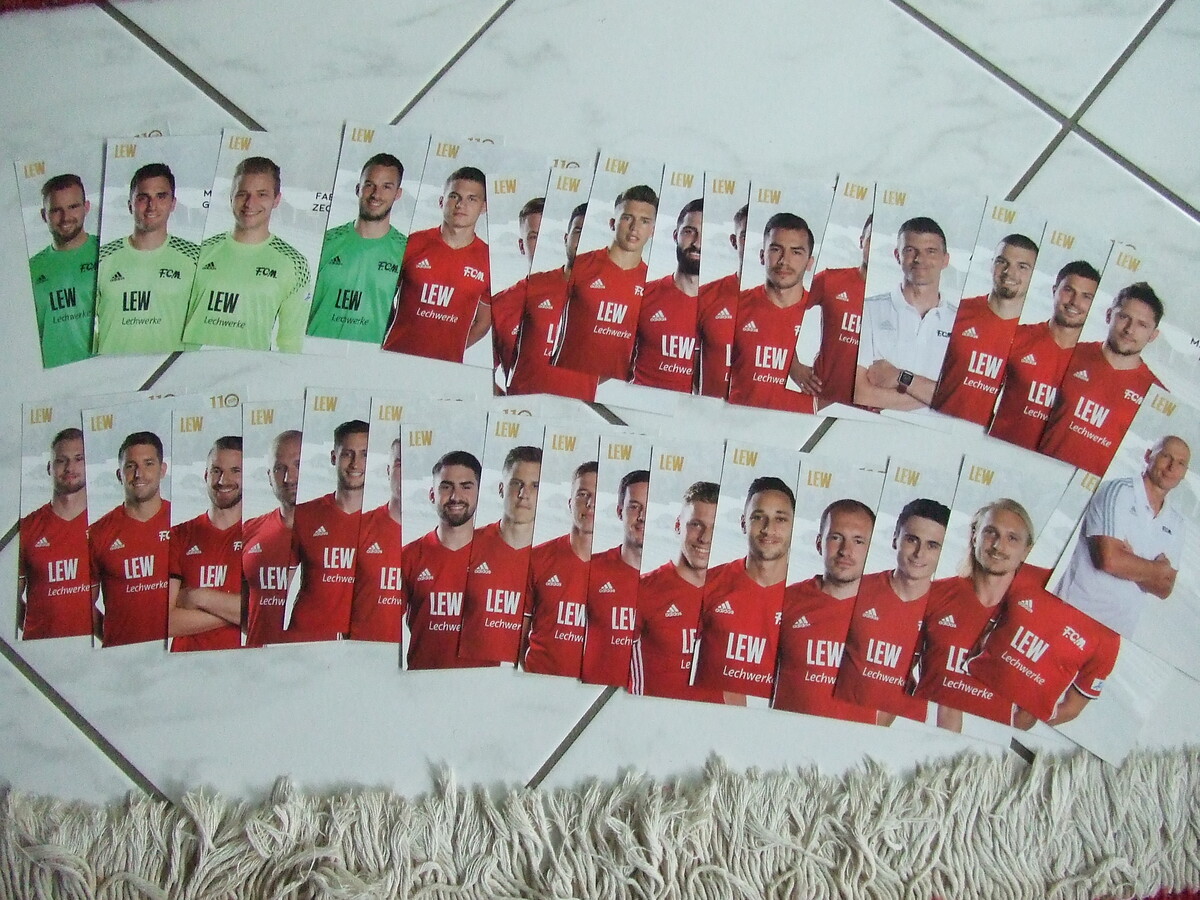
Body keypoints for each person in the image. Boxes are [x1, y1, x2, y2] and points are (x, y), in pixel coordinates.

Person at [912, 499, 1036, 731]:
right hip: (928, 740)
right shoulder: (933, 595)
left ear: (1026, 550)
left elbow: (1031, 708)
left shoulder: (1035, 616)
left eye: (1012, 538)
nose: (998, 546)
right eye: (990, 532)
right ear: (974, 535)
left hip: (990, 747)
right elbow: (898, 671)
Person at [1053, 435, 1189, 637]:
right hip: (1071, 612)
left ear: (1184, 473)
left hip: (1116, 632)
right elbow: (1109, 561)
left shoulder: (1176, 523)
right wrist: (1158, 569)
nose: (1171, 467)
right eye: (1166, 456)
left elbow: (1165, 588)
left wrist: (1130, 561)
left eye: (1180, 463)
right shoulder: (1116, 491)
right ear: (1148, 455)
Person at [833, 497, 951, 722]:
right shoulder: (858, 588)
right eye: (912, 540)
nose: (919, 553)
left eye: (932, 545)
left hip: (898, 730)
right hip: (837, 721)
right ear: (895, 538)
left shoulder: (946, 612)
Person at [182, 156, 311, 352]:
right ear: (231, 197)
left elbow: (291, 344)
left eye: (262, 194)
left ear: (276, 199)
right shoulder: (200, 253)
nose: (250, 203)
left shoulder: (295, 264)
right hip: (188, 365)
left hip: (250, 367)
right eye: (243, 194)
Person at [1038, 283, 1164, 475]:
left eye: (1142, 325)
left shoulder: (1155, 395)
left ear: (1153, 335)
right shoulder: (1069, 353)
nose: (1130, 329)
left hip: (1090, 490)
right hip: (1037, 470)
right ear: (1108, 315)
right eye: (1124, 317)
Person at [771, 498, 878, 724]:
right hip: (785, 739)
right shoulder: (785, 600)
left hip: (853, 744)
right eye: (836, 537)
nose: (846, 551)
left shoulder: (888, 612)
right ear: (819, 543)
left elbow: (901, 690)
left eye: (858, 541)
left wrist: (870, 730)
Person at [692, 476, 796, 701]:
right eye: (758, 517)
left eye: (780, 519)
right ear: (743, 523)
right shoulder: (709, 583)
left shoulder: (806, 597)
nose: (768, 529)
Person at [380, 166, 491, 362]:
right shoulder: (412, 244)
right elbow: (382, 299)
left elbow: (482, 323)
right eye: (454, 196)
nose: (461, 205)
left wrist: (449, 347)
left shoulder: (488, 260)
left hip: (446, 367)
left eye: (471, 199)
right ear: (441, 201)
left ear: (483, 207)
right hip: (393, 357)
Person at [629, 481, 725, 703]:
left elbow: (734, 689)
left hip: (712, 721)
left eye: (714, 528)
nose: (705, 538)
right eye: (696, 525)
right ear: (678, 525)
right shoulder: (643, 591)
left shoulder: (732, 594)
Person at [988, 261, 1101, 449]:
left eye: (1086, 296)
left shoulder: (1095, 363)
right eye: (1069, 290)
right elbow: (980, 397)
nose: (1075, 302)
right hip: (997, 452)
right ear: (1054, 290)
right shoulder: (1018, 337)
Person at [930, 235, 1040, 424]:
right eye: (1002, 262)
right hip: (933, 425)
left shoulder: (1033, 340)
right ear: (991, 264)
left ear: (1033, 275)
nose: (1009, 272)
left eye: (1022, 267)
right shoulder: (957, 312)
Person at [552, 185, 658, 379]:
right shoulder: (581, 265)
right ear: (612, 223)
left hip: (614, 389)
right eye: (627, 218)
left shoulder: (652, 284)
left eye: (644, 221)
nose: (634, 228)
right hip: (563, 381)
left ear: (652, 230)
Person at [403, 450, 496, 669]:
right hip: (421, 682)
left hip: (482, 684)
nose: (455, 496)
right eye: (446, 487)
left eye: (466, 486)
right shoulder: (408, 556)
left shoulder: (500, 557)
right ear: (432, 494)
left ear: (478, 494)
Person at [95, 163, 200, 355]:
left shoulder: (195, 258)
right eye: (143, 198)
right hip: (112, 371)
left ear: (173, 203)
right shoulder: (101, 259)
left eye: (161, 196)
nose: (152, 206)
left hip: (172, 371)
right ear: (130, 205)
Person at [854, 217, 956, 411]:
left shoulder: (961, 324)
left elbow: (964, 401)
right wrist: (940, 396)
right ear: (897, 255)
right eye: (910, 250)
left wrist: (900, 377)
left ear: (945, 260)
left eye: (931, 251)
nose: (920, 259)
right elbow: (861, 394)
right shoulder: (867, 310)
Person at [306, 153, 408, 344]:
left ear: (398, 193)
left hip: (366, 358)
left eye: (386, 187)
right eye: (369, 185)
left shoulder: (407, 251)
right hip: (313, 351)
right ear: (357, 188)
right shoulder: (325, 241)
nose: (376, 194)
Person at [457, 445, 543, 662]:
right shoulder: (468, 545)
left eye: (535, 486)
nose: (524, 495)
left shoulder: (551, 560)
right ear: (501, 488)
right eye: (517, 483)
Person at [285, 420, 368, 641]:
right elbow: (276, 591)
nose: (355, 464)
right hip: (306, 642)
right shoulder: (304, 515)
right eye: (347, 454)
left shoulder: (386, 522)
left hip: (362, 647)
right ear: (334, 457)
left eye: (364, 455)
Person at [506, 202, 598, 400]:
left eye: (588, 233)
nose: (582, 241)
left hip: (576, 409)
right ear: (566, 238)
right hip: (524, 405)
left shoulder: (617, 298)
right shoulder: (533, 286)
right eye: (578, 232)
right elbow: (488, 331)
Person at [726, 213, 818, 413]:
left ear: (810, 262)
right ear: (762, 255)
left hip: (799, 428)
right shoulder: (735, 307)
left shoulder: (822, 314)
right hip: (738, 422)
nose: (784, 261)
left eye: (796, 252)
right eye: (776, 249)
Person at [89, 431, 171, 646]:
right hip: (121, 658)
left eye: (148, 464)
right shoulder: (98, 533)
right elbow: (83, 605)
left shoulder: (183, 525)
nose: (139, 474)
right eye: (130, 466)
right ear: (119, 474)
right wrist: (114, 636)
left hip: (177, 656)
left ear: (163, 470)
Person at [167, 436, 244, 652]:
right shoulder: (178, 536)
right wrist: (238, 613)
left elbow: (267, 613)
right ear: (205, 475)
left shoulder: (260, 534)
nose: (223, 480)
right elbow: (167, 622)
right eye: (216, 470)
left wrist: (198, 596)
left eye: (235, 471)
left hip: (242, 665)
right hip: (185, 663)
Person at [788, 214, 872, 410]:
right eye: (870, 239)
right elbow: (781, 313)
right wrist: (794, 367)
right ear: (861, 241)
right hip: (821, 396)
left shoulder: (897, 299)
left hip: (867, 408)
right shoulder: (831, 281)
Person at [522, 460, 597, 677]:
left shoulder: (621, 570)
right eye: (582, 494)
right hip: (538, 680)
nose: (590, 503)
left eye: (596, 496)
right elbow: (518, 636)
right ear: (570, 502)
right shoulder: (537, 559)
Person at [18, 427, 92, 639]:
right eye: (61, 460)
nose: (70, 467)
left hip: (92, 653)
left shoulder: (105, 526)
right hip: (39, 651)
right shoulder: (27, 529)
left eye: (79, 459)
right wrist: (37, 631)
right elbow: (8, 600)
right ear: (50, 468)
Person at [581, 468, 650, 685]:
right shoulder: (591, 570)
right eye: (634, 507)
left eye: (649, 508)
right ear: (620, 511)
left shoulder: (675, 582)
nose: (642, 517)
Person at [630, 199, 702, 392]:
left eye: (704, 235)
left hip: (690, 409)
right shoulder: (644, 295)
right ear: (676, 235)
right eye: (689, 231)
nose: (697, 243)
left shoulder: (724, 307)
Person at [28, 173, 98, 367]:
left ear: (86, 207)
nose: (66, 217)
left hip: (108, 371)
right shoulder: (30, 270)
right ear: (44, 215)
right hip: (54, 377)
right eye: (56, 210)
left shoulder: (109, 252)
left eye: (73, 207)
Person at [243, 428, 301, 646]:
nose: (289, 478)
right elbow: (242, 612)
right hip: (257, 661)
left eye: (298, 465)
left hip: (317, 662)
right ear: (269, 476)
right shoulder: (249, 531)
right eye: (279, 468)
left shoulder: (343, 533)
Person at [349, 436, 405, 642]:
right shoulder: (360, 527)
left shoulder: (439, 539)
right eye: (399, 463)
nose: (405, 472)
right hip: (360, 652)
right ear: (388, 471)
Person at [696, 203, 747, 399]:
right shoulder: (706, 296)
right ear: (734, 241)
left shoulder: (794, 301)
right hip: (708, 412)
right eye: (745, 235)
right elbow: (689, 366)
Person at [490, 197, 542, 385]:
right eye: (534, 237)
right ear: (522, 246)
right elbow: (479, 376)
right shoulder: (499, 306)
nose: (541, 244)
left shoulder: (586, 299)